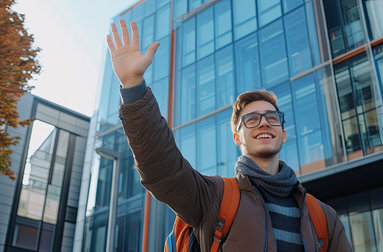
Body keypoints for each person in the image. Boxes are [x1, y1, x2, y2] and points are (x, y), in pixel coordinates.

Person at [107, 19, 353, 252]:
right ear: (237, 137)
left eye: (272, 118)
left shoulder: (323, 217)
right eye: (252, 119)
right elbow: (162, 169)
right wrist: (133, 85)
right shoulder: (213, 197)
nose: (263, 123)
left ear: (283, 133)